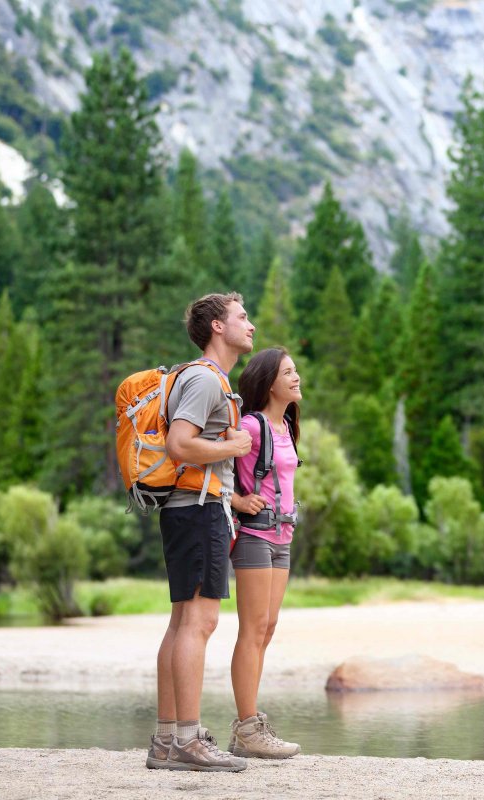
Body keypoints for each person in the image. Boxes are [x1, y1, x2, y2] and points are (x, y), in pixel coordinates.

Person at [146, 292, 255, 773]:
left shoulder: (206, 380)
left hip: (189, 511)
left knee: (181, 623)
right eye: (241, 317)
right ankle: (187, 740)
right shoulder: (206, 381)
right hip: (198, 510)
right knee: (200, 623)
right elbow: (179, 445)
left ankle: (167, 740)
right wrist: (233, 444)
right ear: (216, 326)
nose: (250, 325)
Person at [226, 346, 303, 758]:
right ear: (268, 381)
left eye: (296, 371)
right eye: (288, 372)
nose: (296, 378)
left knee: (267, 628)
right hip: (255, 536)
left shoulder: (287, 427)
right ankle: (247, 727)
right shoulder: (251, 427)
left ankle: (248, 728)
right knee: (253, 630)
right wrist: (238, 501)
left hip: (283, 538)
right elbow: (209, 462)